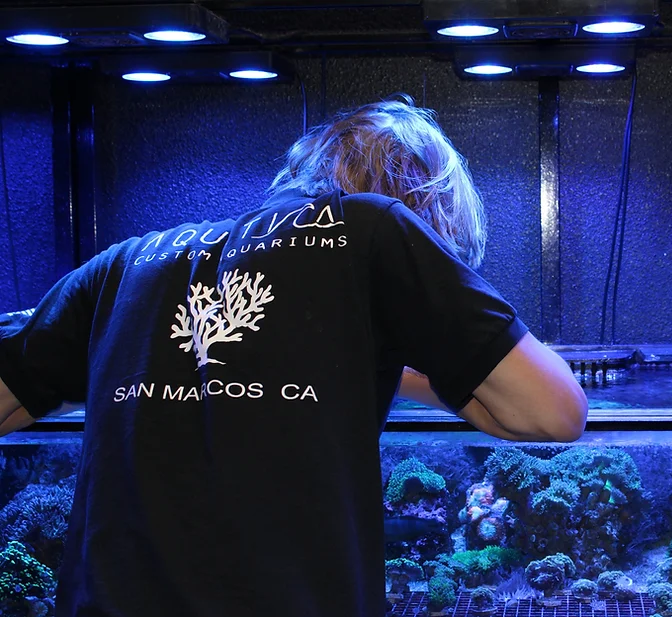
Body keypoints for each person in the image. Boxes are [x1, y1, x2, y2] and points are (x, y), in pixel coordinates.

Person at [0, 97, 587, 617]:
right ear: (419, 197)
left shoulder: (126, 261)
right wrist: (425, 369)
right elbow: (553, 411)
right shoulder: (374, 227)